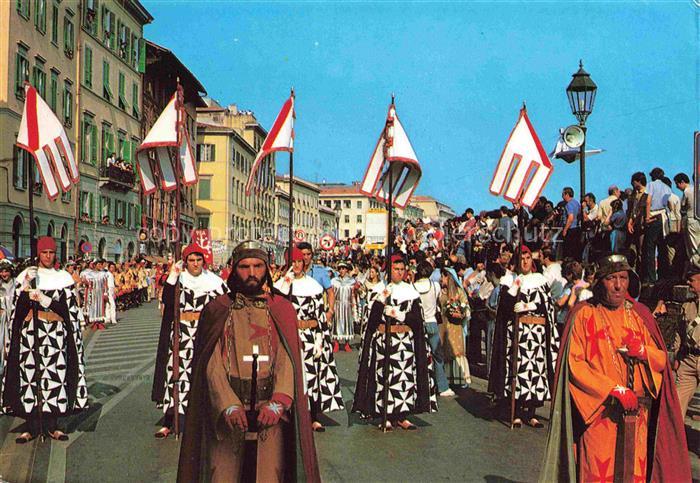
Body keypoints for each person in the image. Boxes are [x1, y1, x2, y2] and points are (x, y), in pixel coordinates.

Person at [177, 240, 320, 482]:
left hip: (270, 412)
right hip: (227, 413)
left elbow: (288, 360)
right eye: (244, 266)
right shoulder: (218, 309)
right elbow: (211, 365)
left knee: (269, 476)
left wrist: (279, 402)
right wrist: (227, 404)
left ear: (266, 268)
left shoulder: (282, 308)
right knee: (222, 475)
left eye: (257, 266)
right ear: (234, 268)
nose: (252, 273)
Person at [540, 254, 691, 482]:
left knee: (633, 475)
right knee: (598, 474)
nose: (619, 285)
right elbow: (575, 365)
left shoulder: (640, 315)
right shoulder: (583, 315)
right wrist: (613, 389)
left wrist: (643, 352)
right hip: (600, 417)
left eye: (623, 277)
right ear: (600, 281)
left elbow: (661, 361)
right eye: (611, 278)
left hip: (637, 418)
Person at [2, 236, 88, 443]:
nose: (48, 256)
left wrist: (45, 299)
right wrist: (26, 287)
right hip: (31, 333)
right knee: (31, 378)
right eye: (44, 253)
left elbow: (68, 311)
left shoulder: (64, 278)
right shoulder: (27, 276)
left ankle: (52, 425)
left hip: (55, 334)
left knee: (54, 378)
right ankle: (31, 426)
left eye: (51, 252)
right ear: (38, 254)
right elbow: (18, 310)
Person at [353, 254, 438, 430]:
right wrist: (381, 303)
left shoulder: (411, 292)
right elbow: (372, 321)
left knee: (404, 380)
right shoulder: (382, 291)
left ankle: (402, 415)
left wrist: (400, 315)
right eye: (396, 269)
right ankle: (386, 416)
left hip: (405, 343)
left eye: (402, 269)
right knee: (385, 379)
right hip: (386, 342)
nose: (399, 273)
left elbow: (417, 320)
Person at [151, 244, 228, 438]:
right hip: (181, 333)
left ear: (204, 261)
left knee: (205, 373)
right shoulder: (179, 280)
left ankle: (204, 419)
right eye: (191, 261)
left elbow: (225, 306)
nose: (195, 264)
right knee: (176, 374)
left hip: (204, 332)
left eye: (198, 260)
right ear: (186, 262)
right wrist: (173, 276)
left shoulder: (214, 282)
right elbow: (168, 300)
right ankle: (170, 419)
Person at [274, 247, 344, 432]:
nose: (296, 265)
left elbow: (320, 316)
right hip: (291, 336)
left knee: (313, 376)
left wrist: (321, 339)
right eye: (293, 261)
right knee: (292, 375)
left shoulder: (313, 286)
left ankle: (313, 416)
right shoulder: (282, 286)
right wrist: (284, 285)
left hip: (311, 336)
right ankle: (292, 415)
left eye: (299, 261)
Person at [489, 246, 558, 428]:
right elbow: (504, 306)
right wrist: (515, 286)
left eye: (528, 258)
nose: (526, 262)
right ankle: (517, 412)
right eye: (522, 258)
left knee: (535, 371)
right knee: (518, 372)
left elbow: (547, 306)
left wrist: (529, 306)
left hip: (536, 334)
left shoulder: (540, 280)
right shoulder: (510, 280)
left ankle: (532, 413)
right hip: (517, 334)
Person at [414, 262, 454, 396]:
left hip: (419, 324)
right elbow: (439, 301)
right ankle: (442, 387)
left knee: (418, 355)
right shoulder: (435, 286)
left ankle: (419, 386)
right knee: (437, 355)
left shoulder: (413, 287)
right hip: (432, 322)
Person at [439, 267, 472, 388]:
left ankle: (460, 377)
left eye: (443, 276)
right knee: (446, 349)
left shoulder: (459, 291)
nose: (441, 279)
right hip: (444, 325)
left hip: (456, 326)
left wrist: (461, 312)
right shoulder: (441, 291)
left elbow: (467, 308)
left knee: (456, 349)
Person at [330, 261, 356, 352]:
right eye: (340, 269)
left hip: (347, 305)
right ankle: (336, 343)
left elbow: (356, 293)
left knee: (347, 323)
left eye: (343, 268)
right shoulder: (334, 281)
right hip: (337, 305)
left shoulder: (352, 281)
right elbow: (331, 293)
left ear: (347, 270)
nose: (341, 270)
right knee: (336, 323)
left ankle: (346, 344)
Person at [0, 259, 16, 371]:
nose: (3, 274)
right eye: (1, 272)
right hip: (2, 323)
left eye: (6, 271)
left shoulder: (16, 285)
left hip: (13, 319)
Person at [561, 187, 581, 260]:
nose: (562, 196)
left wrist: (565, 229)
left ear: (567, 194)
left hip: (570, 229)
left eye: (563, 194)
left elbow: (570, 217)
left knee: (568, 250)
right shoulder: (576, 203)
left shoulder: (568, 205)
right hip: (576, 229)